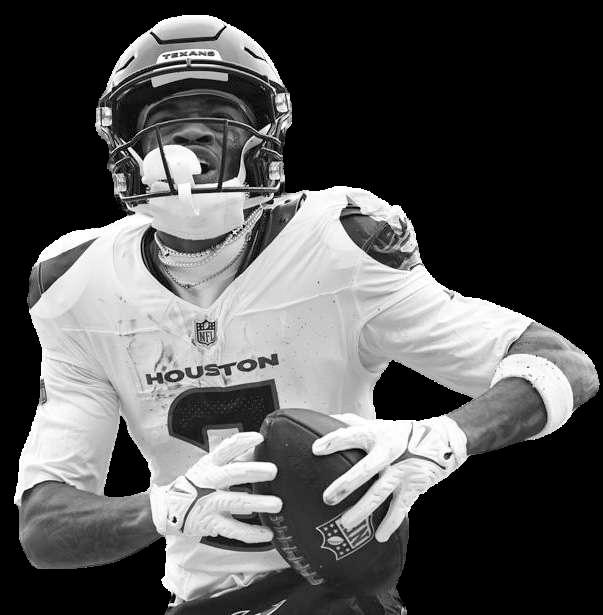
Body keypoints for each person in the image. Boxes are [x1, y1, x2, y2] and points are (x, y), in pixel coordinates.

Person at [16, 14, 598, 615]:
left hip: (335, 588)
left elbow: (563, 365)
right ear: (128, 152)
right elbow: (44, 527)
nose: (191, 140)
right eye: (165, 121)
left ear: (262, 141)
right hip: (199, 602)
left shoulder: (337, 245)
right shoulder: (77, 284)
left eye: (219, 116)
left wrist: (442, 439)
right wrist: (164, 507)